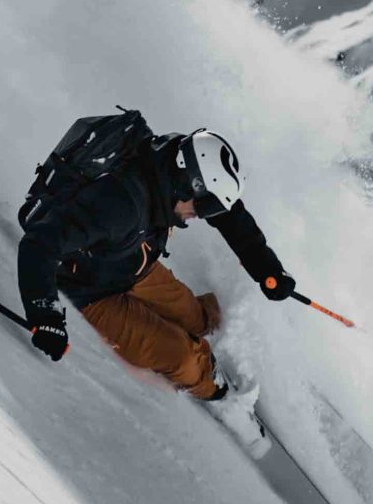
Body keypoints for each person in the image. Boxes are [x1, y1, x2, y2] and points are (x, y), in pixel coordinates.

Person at [15, 123, 295, 401]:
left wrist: (266, 268)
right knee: (183, 359)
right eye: (204, 206)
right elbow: (38, 244)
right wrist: (45, 316)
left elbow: (228, 213)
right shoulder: (118, 204)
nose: (202, 215)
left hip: (131, 263)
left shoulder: (168, 162)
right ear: (188, 184)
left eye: (209, 207)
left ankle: (210, 347)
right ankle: (222, 397)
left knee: (200, 319)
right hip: (90, 290)